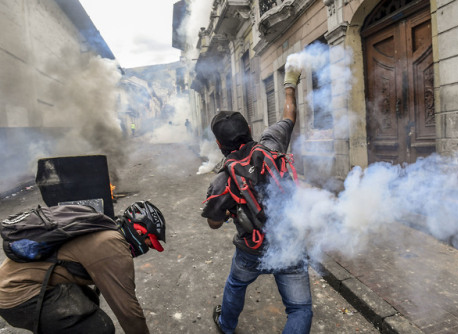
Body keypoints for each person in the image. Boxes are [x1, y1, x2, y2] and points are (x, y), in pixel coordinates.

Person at [201, 65, 313, 333]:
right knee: (299, 309)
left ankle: (226, 325)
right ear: (250, 129)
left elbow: (214, 223)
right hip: (290, 242)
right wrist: (289, 83)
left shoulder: (222, 180)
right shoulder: (272, 144)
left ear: (219, 144)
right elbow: (289, 115)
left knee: (236, 284)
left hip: (252, 249)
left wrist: (229, 212)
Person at [0, 201, 166, 334]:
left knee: (89, 300)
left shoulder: (105, 228)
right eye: (150, 242)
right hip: (18, 296)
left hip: (16, 283)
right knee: (100, 329)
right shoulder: (114, 247)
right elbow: (128, 311)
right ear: (140, 230)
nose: (147, 249)